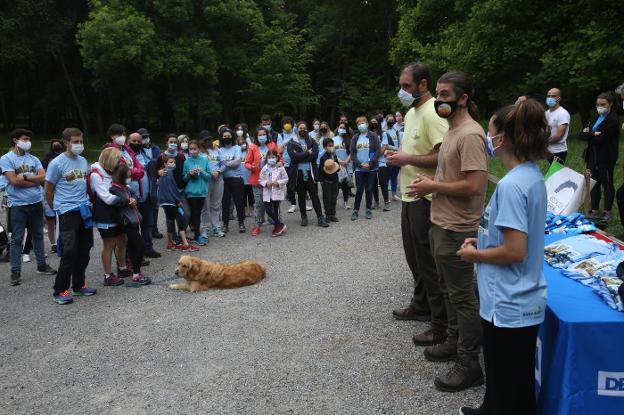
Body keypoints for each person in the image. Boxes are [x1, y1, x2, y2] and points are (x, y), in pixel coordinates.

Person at [456, 98, 549, 415]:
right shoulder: (531, 175)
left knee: (509, 381)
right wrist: (482, 237)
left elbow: (514, 250)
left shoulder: (511, 185)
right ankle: (489, 409)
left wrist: (475, 254)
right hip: (520, 299)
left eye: (490, 132)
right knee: (508, 379)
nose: (487, 139)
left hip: (508, 303)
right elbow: (512, 234)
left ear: (503, 139)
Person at [407, 71, 487, 392]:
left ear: (463, 98)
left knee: (463, 296)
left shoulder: (470, 134)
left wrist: (432, 185)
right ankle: (454, 341)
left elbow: (474, 185)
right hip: (441, 222)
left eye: (446, 95)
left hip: (458, 227)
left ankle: (469, 364)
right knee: (448, 288)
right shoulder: (453, 129)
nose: (440, 100)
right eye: (438, 94)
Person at [386, 63, 449, 350]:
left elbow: (442, 157)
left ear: (424, 85)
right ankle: (421, 304)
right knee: (415, 259)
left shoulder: (434, 112)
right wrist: (400, 157)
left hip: (426, 197)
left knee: (428, 262)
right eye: (401, 86)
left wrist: (406, 160)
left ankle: (440, 325)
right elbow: (412, 153)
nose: (402, 91)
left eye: (407, 86)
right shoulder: (412, 113)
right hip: (409, 194)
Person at [44, 128, 95, 304]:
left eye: (81, 141)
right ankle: (60, 290)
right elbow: (48, 190)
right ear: (66, 142)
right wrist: (57, 208)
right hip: (67, 212)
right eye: (75, 142)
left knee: (85, 249)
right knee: (69, 252)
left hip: (84, 209)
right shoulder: (57, 163)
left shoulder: (82, 161)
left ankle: (79, 285)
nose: (79, 145)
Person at [0, 129, 57, 286]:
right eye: (25, 139)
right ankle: (15, 272)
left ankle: (41, 265)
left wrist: (24, 177)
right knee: (17, 238)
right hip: (17, 205)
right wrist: (34, 180)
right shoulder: (6, 159)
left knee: (38, 235)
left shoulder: (33, 159)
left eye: (29, 139)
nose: (28, 142)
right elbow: (13, 181)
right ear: (15, 140)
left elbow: (44, 177)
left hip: (36, 202)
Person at [89, 147, 128, 286]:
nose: (120, 162)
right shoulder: (96, 175)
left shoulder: (110, 171)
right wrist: (127, 200)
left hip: (116, 212)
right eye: (117, 159)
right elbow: (107, 198)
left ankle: (122, 268)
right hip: (105, 214)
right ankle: (108, 275)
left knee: (122, 240)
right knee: (109, 244)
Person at [108, 163, 151, 285]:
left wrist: (134, 199)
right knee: (140, 246)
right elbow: (114, 204)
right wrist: (127, 202)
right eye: (127, 176)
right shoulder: (114, 189)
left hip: (134, 220)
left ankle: (134, 271)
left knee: (132, 247)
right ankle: (137, 274)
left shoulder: (126, 188)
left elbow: (137, 197)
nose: (129, 178)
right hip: (126, 222)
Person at [580, 92, 620, 221]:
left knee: (607, 183)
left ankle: (607, 211)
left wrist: (589, 134)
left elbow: (601, 140)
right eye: (598, 104)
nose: (600, 107)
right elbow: (582, 135)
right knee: (594, 183)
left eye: (603, 104)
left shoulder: (613, 119)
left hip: (607, 157)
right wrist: (593, 134)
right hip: (592, 157)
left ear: (610, 104)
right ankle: (595, 209)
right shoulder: (594, 118)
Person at [287, 121, 328, 227]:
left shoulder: (312, 141)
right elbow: (293, 157)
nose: (302, 130)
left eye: (304, 128)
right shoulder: (292, 142)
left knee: (314, 195)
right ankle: (304, 217)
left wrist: (300, 155)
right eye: (300, 128)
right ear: (297, 129)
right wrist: (306, 153)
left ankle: (320, 217)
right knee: (301, 196)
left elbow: (314, 155)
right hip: (298, 174)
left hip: (311, 173)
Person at [128, 132, 159, 260]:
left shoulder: (144, 154)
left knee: (148, 224)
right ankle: (134, 254)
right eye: (133, 141)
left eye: (138, 141)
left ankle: (148, 248)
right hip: (132, 197)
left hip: (146, 195)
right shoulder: (126, 155)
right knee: (133, 227)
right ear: (128, 141)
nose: (136, 143)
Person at [158, 155, 198, 252]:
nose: (173, 164)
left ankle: (170, 243)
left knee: (170, 221)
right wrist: (178, 200)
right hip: (171, 201)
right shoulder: (169, 173)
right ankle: (184, 244)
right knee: (180, 219)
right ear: (165, 164)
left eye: (174, 162)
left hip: (166, 201)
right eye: (170, 162)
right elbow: (172, 189)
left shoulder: (163, 173)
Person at [156, 134, 191, 241]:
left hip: (180, 190)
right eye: (171, 142)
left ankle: (182, 233)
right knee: (170, 216)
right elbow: (156, 172)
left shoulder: (181, 156)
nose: (173, 144)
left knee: (186, 213)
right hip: (167, 192)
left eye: (175, 142)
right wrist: (159, 172)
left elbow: (184, 171)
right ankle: (173, 237)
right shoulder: (161, 156)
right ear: (166, 143)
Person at [246, 126, 276, 236]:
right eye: (260, 135)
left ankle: (274, 220)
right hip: (257, 180)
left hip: (271, 180)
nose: (262, 136)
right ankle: (257, 225)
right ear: (256, 136)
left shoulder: (272, 145)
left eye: (264, 134)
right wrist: (251, 166)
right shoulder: (252, 147)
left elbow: (280, 159)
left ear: (267, 135)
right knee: (259, 203)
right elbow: (247, 163)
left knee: (272, 201)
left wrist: (278, 163)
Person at [136, 128, 162, 256]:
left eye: (145, 137)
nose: (144, 140)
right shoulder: (133, 152)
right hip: (136, 194)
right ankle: (137, 251)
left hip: (150, 189)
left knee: (149, 221)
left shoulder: (154, 148)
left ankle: (148, 247)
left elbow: (158, 162)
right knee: (136, 224)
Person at [349, 116, 381, 220]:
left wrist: (370, 163)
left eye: (362, 123)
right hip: (359, 168)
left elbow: (378, 150)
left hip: (371, 168)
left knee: (369, 189)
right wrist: (359, 164)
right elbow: (352, 152)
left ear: (367, 124)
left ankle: (368, 209)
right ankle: (355, 210)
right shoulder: (355, 137)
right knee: (359, 190)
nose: (361, 125)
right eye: (358, 124)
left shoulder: (373, 136)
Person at [199, 131, 226, 238]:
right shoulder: (200, 153)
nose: (208, 141)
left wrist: (218, 172)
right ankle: (205, 228)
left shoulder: (218, 151)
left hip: (218, 179)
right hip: (205, 180)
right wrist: (210, 173)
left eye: (209, 139)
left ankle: (216, 227)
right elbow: (199, 166)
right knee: (205, 206)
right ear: (201, 142)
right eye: (205, 140)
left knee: (216, 204)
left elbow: (224, 164)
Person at [183, 140, 211, 245]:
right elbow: (184, 178)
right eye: (191, 149)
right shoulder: (186, 162)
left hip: (202, 192)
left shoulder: (204, 160)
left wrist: (202, 171)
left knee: (198, 213)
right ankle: (197, 235)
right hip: (191, 192)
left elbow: (209, 176)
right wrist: (189, 174)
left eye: (195, 149)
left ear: (199, 149)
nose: (193, 151)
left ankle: (197, 234)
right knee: (194, 213)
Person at [219, 128, 246, 233]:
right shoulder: (220, 150)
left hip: (237, 178)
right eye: (224, 136)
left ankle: (241, 223)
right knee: (225, 202)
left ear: (232, 136)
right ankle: (225, 224)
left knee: (239, 201)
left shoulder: (237, 148)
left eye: (228, 136)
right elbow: (225, 163)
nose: (227, 138)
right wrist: (231, 162)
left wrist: (225, 163)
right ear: (221, 138)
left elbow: (238, 162)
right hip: (224, 179)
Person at [259, 149, 288, 237]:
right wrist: (265, 183)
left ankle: (277, 227)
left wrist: (278, 183)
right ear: (267, 158)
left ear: (277, 158)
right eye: (269, 157)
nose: (271, 159)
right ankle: (281, 225)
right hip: (267, 192)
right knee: (268, 210)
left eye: (273, 157)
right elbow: (260, 179)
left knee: (275, 210)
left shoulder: (280, 168)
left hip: (276, 192)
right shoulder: (264, 168)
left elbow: (286, 179)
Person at [42, 138, 64, 253]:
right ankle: (53, 244)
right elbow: (45, 178)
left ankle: (61, 241)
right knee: (51, 222)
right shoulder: (46, 159)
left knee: (61, 223)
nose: (56, 144)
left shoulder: (65, 157)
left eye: (58, 142)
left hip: (61, 194)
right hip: (50, 192)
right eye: (54, 142)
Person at [277, 116, 301, 213]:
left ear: (292, 124)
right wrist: (286, 143)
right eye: (285, 123)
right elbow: (279, 150)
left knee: (300, 183)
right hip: (286, 163)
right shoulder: (280, 136)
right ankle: (293, 203)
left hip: (297, 162)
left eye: (289, 123)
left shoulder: (297, 133)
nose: (287, 125)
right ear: (282, 125)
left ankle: (302, 202)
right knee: (289, 184)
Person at [544, 88, 570, 164]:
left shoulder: (563, 113)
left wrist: (543, 143)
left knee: (557, 175)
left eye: (553, 96)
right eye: (548, 96)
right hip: (548, 150)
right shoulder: (546, 113)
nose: (550, 98)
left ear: (559, 98)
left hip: (559, 151)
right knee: (551, 175)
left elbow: (559, 136)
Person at [319, 138, 340, 222]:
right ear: (324, 147)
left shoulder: (334, 156)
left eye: (332, 145)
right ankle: (327, 214)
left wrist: (336, 167)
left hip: (335, 180)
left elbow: (338, 167)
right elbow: (321, 171)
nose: (331, 147)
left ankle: (332, 214)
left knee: (334, 197)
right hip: (326, 181)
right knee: (327, 198)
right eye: (329, 146)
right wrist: (321, 181)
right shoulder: (323, 158)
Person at [383, 113, 403, 201]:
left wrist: (398, 150)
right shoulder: (384, 132)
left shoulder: (396, 131)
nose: (391, 121)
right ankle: (386, 196)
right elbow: (386, 145)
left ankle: (394, 194)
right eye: (389, 120)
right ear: (386, 121)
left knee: (394, 176)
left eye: (392, 120)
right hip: (389, 157)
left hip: (397, 156)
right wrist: (397, 149)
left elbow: (399, 142)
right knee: (387, 177)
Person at [333, 121, 353, 209]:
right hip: (337, 165)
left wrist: (346, 161)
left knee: (345, 185)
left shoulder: (349, 139)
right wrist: (340, 161)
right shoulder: (333, 139)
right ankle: (333, 203)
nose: (341, 129)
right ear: (337, 129)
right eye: (340, 128)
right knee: (336, 185)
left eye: (343, 128)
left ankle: (346, 202)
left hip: (347, 165)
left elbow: (352, 152)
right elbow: (332, 152)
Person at [237, 130, 254, 218]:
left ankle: (250, 210)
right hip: (241, 178)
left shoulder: (249, 152)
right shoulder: (237, 153)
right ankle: (244, 210)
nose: (242, 145)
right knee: (242, 196)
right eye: (240, 144)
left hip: (250, 178)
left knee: (251, 196)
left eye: (243, 143)